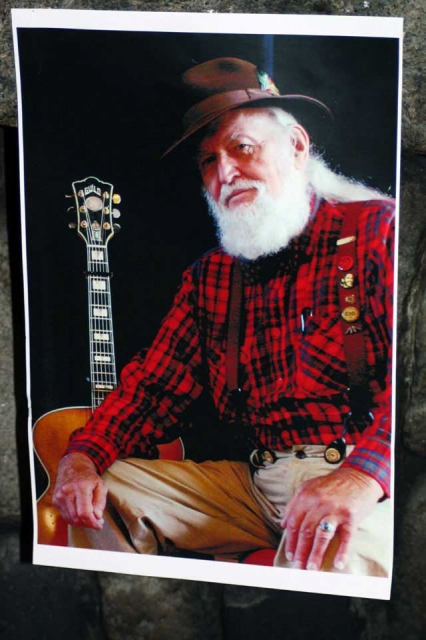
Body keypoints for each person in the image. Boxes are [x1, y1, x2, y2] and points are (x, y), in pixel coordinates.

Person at [53, 58, 394, 575]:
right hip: (253, 488)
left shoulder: (379, 232)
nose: (225, 174)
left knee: (332, 556)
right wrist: (82, 457)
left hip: (362, 477)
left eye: (242, 148)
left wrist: (362, 476)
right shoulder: (210, 277)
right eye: (208, 162)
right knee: (105, 494)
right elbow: (152, 389)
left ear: (296, 146)